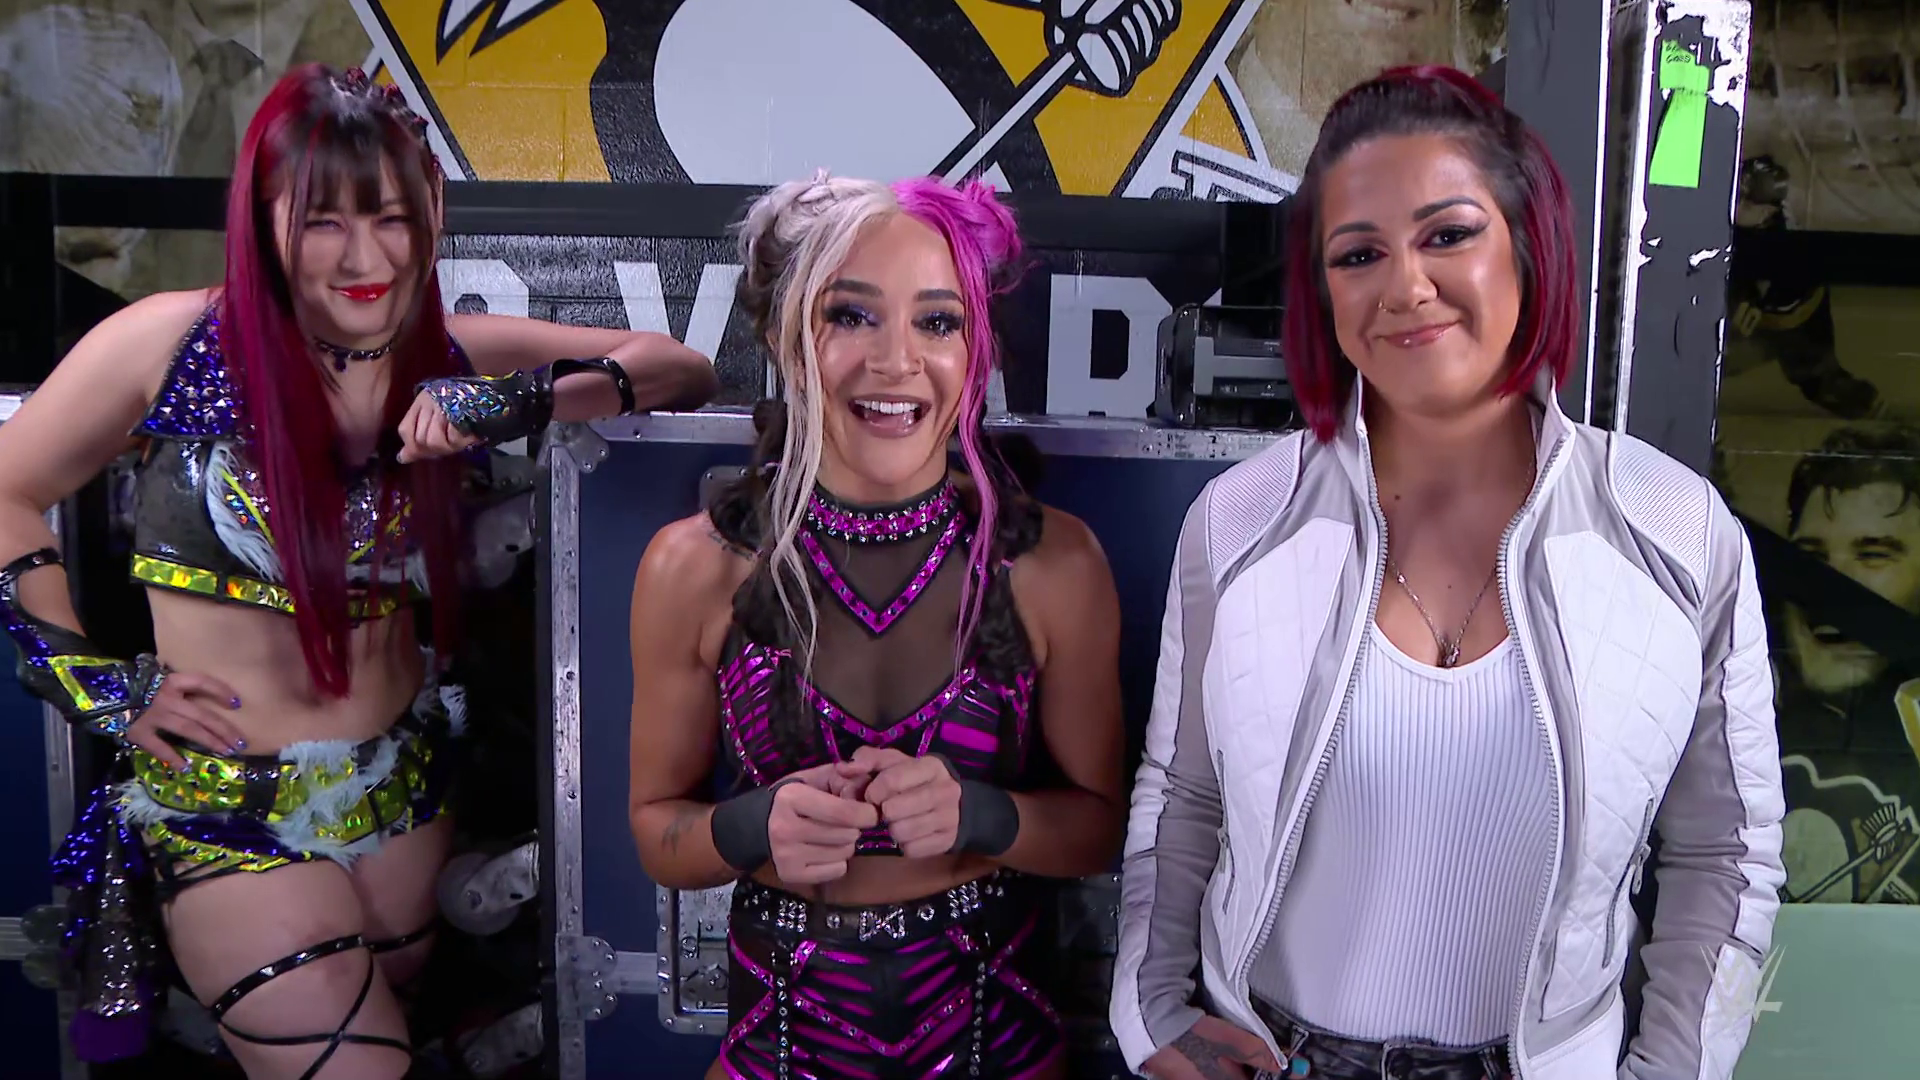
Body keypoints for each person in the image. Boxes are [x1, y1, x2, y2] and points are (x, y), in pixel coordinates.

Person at [0, 64, 716, 1079]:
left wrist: (517, 400)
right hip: (230, 820)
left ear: (432, 212)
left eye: (390, 217)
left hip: (403, 811)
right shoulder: (168, 344)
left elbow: (681, 366)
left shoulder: (450, 354)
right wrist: (96, 687)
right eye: (323, 221)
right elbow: (5, 488)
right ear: (264, 221)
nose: (364, 257)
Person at [1110, 66, 1786, 1080]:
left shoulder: (1677, 532)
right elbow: (1184, 796)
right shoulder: (1239, 522)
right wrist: (1154, 1014)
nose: (1405, 287)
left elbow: (1724, 848)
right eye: (1359, 254)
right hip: (1277, 1057)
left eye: (1448, 234)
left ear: (1527, 245)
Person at [626, 173, 1125, 1080]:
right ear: (785, 337)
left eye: (937, 322)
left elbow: (1100, 829)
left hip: (1000, 1044)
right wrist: (752, 827)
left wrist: (981, 814)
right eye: (852, 316)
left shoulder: (1055, 565)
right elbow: (658, 832)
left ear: (975, 351)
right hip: (777, 1043)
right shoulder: (691, 569)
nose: (898, 361)